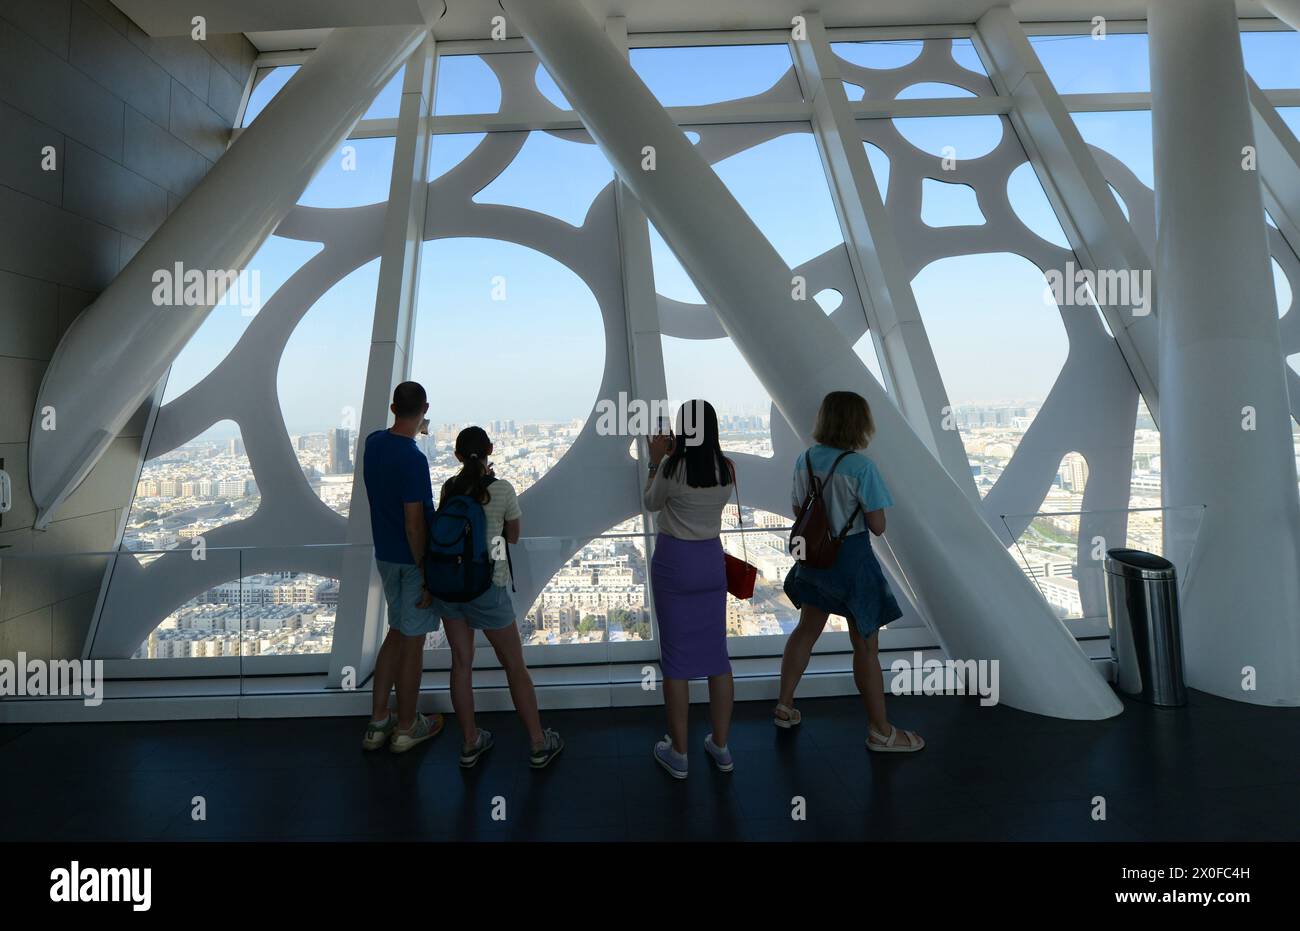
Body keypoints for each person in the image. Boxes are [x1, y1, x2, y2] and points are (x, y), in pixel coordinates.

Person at [775, 390, 924, 753]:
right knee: (866, 647)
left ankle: (784, 706)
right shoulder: (862, 468)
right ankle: (881, 731)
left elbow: (800, 509)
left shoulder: (805, 459)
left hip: (815, 559)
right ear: (861, 424)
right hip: (852, 562)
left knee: (807, 629)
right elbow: (877, 525)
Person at [431, 426, 564, 769]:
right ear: (490, 449)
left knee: (461, 663)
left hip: (450, 586)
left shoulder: (448, 488)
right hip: (489, 586)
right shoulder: (502, 489)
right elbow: (514, 537)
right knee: (514, 666)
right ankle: (537, 743)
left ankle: (470, 741)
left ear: (457, 456)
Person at [643, 400, 736, 779]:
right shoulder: (726, 468)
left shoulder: (672, 467)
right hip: (711, 562)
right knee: (718, 656)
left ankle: (679, 753)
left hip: (675, 563)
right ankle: (721, 746)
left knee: (676, 662)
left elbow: (650, 502)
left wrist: (655, 459)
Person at [360, 381, 445, 753]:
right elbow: (415, 522)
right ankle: (408, 727)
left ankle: (379, 722)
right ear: (424, 408)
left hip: (385, 555)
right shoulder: (414, 459)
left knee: (395, 632)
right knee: (413, 644)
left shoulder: (374, 443)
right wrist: (426, 569)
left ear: (393, 407)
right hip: (411, 562)